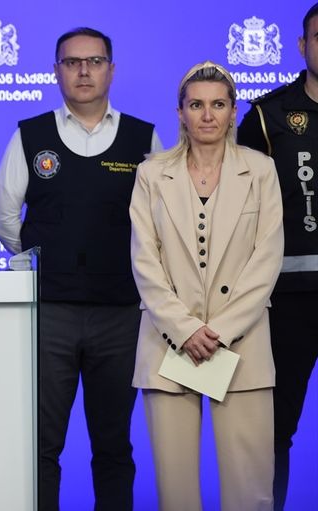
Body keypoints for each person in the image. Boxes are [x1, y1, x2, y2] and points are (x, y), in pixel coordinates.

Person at [0, 27, 162, 510]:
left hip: (121, 314)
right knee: (42, 444)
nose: (84, 71)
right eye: (72, 62)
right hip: (51, 313)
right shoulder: (31, 135)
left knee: (114, 445)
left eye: (94, 61)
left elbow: (162, 222)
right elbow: (2, 217)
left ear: (111, 70)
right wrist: (48, 255)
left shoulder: (143, 137)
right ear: (56, 71)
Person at [130, 61, 283, 511]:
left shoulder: (261, 170)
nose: (208, 115)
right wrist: (185, 330)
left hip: (243, 345)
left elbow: (267, 258)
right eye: (196, 105)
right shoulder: (152, 174)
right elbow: (145, 261)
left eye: (218, 104)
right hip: (167, 346)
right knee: (175, 493)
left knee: (250, 491)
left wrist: (220, 331)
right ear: (180, 112)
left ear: (233, 111)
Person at [236, 4, 318, 509]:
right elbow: (236, 206)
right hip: (290, 301)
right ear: (302, 45)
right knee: (274, 428)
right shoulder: (267, 117)